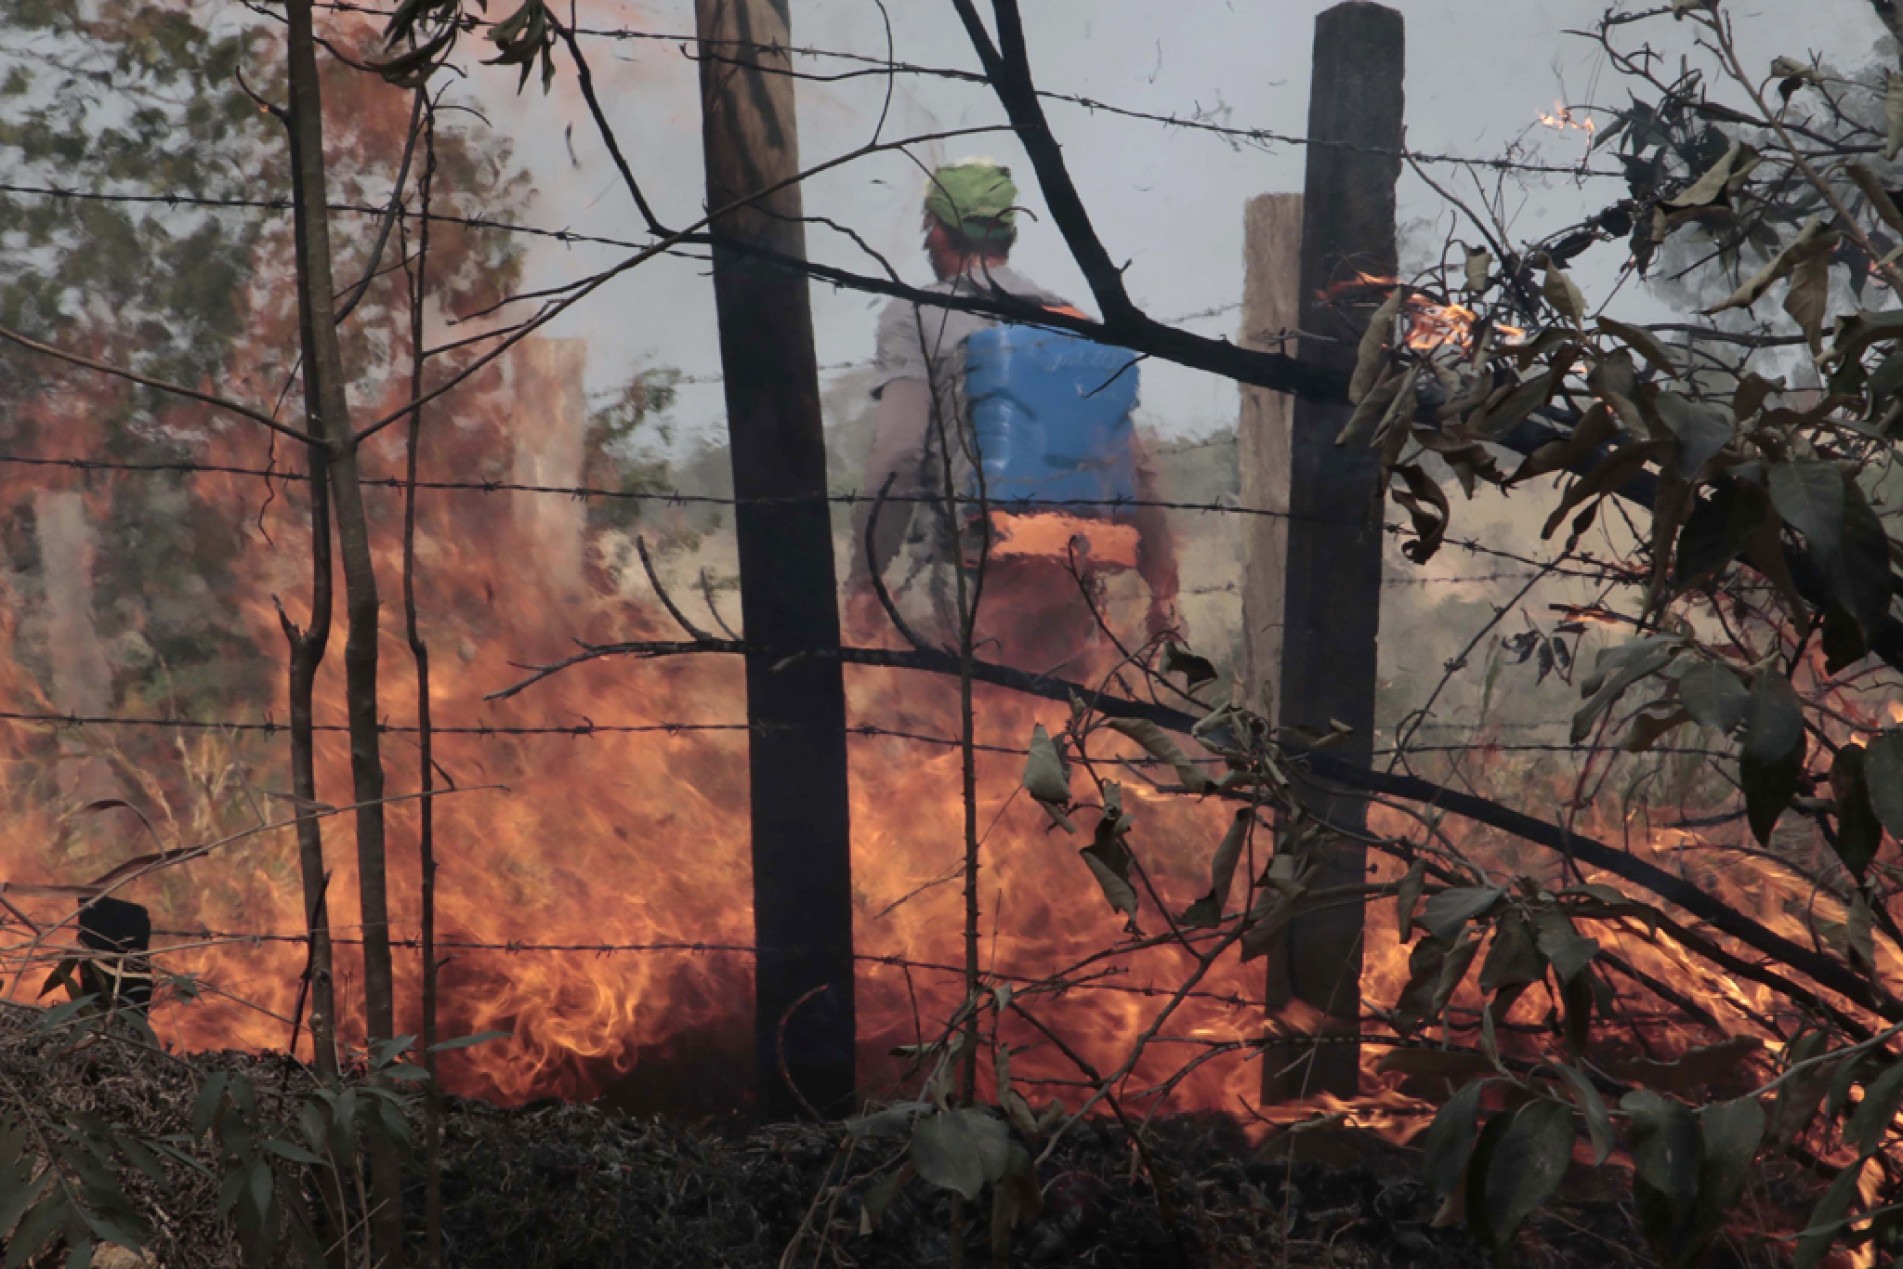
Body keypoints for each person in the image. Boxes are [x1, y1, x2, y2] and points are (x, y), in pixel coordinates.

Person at [846, 158, 1180, 672]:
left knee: (947, 718)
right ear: (1009, 233)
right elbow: (1133, 466)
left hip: (965, 579)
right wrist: (1163, 588)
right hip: (1069, 581)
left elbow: (899, 452)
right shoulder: (1071, 320)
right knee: (1056, 718)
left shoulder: (916, 315)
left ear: (938, 232)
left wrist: (865, 578)